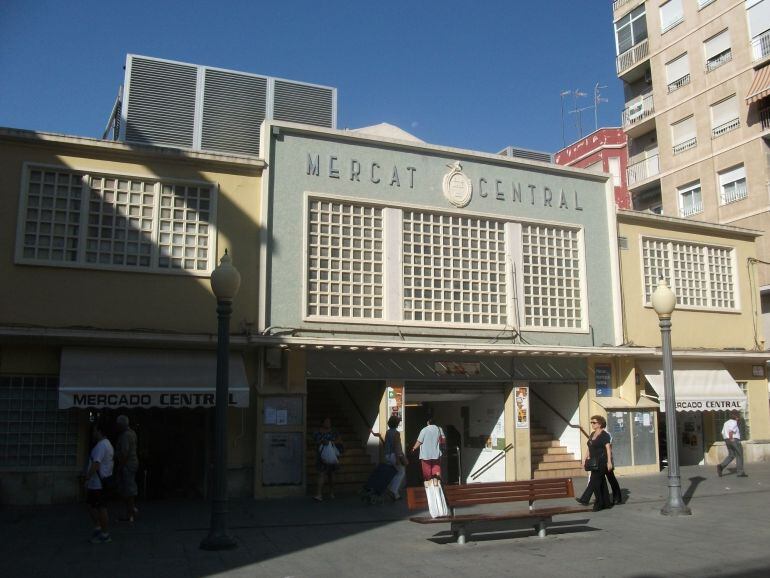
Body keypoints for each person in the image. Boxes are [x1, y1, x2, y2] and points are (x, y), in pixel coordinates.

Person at [85, 421, 114, 543]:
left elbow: (96, 463)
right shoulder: (106, 444)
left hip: (98, 482)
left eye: (94, 431)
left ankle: (105, 533)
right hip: (99, 481)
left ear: (100, 431)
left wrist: (87, 477)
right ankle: (99, 527)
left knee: (101, 507)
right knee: (92, 506)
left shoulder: (102, 445)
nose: (93, 433)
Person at [576, 415, 613, 511]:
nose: (592, 424)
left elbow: (608, 448)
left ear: (600, 424)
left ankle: (591, 501)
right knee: (601, 483)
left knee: (594, 481)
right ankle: (606, 503)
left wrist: (609, 462)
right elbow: (590, 447)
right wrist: (584, 459)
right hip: (593, 462)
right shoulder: (592, 434)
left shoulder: (605, 435)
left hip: (601, 462)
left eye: (594, 422)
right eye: (591, 422)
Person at [372, 415, 408, 500]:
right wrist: (399, 458)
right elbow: (397, 446)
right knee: (401, 472)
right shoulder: (396, 433)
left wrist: (379, 436)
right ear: (397, 424)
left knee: (394, 472)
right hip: (394, 455)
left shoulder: (388, 432)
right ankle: (392, 490)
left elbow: (386, 444)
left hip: (387, 455)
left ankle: (396, 494)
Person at [115, 415, 139, 522]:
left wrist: (121, 466)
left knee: (127, 489)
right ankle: (131, 510)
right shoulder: (132, 433)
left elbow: (125, 453)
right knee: (129, 488)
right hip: (132, 463)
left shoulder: (125, 436)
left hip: (127, 465)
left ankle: (130, 513)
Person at [411, 413, 445, 483]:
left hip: (425, 455)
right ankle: (437, 485)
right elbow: (443, 440)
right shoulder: (439, 429)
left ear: (428, 422)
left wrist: (414, 448)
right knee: (436, 472)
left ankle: (429, 488)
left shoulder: (424, 430)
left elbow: (419, 441)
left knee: (427, 474)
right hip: (436, 454)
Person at [313, 417, 341, 501]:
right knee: (321, 474)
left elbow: (339, 440)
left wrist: (331, 442)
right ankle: (319, 494)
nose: (328, 423)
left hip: (332, 456)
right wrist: (321, 442)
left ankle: (331, 492)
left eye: (329, 421)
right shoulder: (317, 432)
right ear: (322, 423)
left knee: (331, 475)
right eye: (326, 421)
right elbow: (314, 441)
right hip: (321, 456)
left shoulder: (334, 432)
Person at [717, 411, 748, 478]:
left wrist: (727, 439)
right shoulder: (734, 422)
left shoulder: (726, 422)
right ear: (736, 416)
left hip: (727, 440)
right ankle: (740, 472)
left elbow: (722, 432)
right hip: (734, 440)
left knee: (731, 455)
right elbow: (731, 431)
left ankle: (721, 466)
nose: (739, 417)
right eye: (738, 416)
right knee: (739, 455)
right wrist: (731, 439)